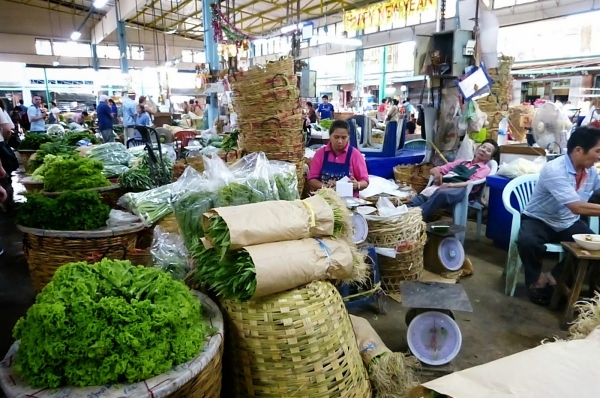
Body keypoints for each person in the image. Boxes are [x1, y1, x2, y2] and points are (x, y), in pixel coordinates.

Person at [517, 126, 600, 305]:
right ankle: (535, 281)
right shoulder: (555, 169)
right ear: (578, 150)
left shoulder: (591, 172)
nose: (599, 156)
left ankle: (555, 278)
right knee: (528, 242)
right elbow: (576, 207)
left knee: (594, 248)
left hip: (567, 222)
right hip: (539, 218)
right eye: (597, 151)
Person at [407, 139, 498, 222]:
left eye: (488, 151)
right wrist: (437, 174)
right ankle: (403, 215)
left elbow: (471, 183)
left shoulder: (484, 169)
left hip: (463, 191)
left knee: (441, 194)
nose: (484, 150)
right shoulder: (461, 162)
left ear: (491, 158)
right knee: (420, 198)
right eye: (483, 147)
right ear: (478, 148)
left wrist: (450, 185)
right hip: (443, 186)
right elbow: (434, 169)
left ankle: (417, 218)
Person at [307, 120, 369, 198]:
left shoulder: (356, 155)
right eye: (336, 137)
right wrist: (326, 188)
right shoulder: (320, 154)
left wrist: (357, 185)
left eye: (344, 138)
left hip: (349, 201)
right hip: (323, 199)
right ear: (330, 136)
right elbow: (312, 179)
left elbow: (365, 181)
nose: (340, 141)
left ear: (348, 137)